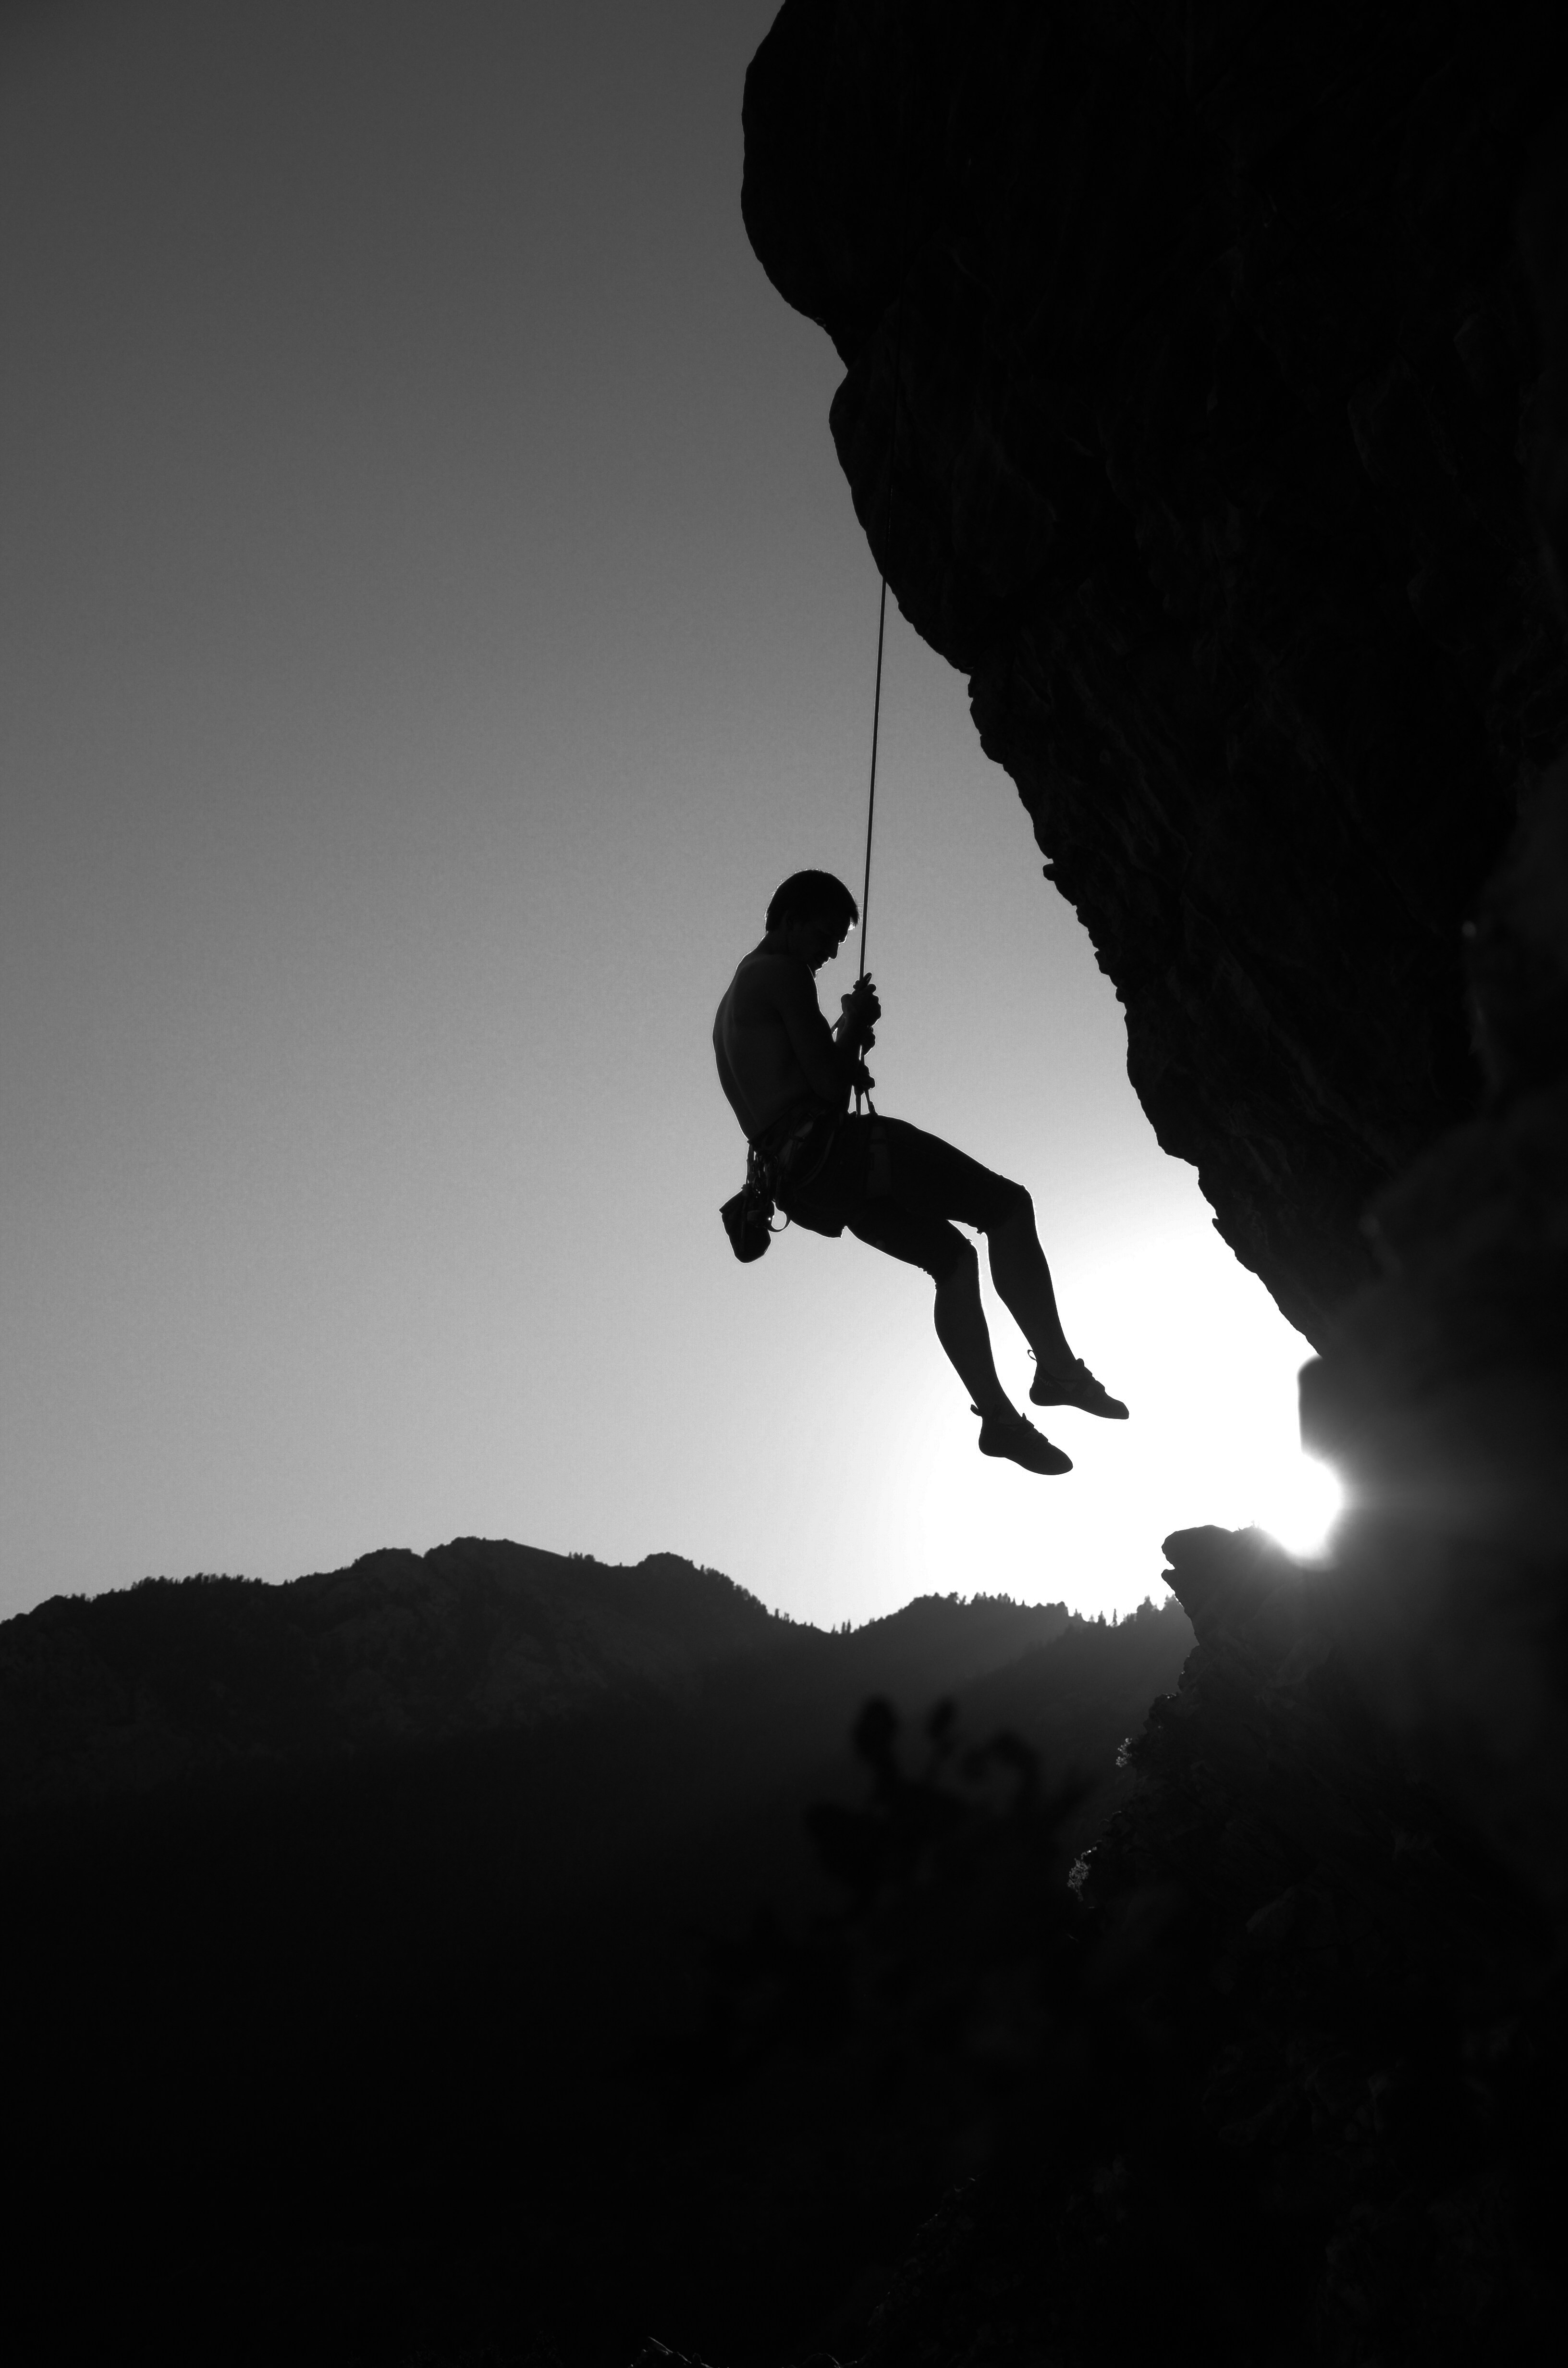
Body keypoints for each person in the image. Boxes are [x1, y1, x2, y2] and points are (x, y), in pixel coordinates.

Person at [713, 868, 1128, 1476]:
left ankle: (999, 1420)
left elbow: (793, 1085)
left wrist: (847, 1031)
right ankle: (1060, 1369)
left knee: (952, 1262)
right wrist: (852, 1026)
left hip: (809, 1184)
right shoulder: (783, 972)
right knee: (1008, 1207)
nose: (829, 952)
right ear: (791, 917)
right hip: (846, 1154)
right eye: (825, 936)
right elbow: (828, 1088)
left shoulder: (735, 996)